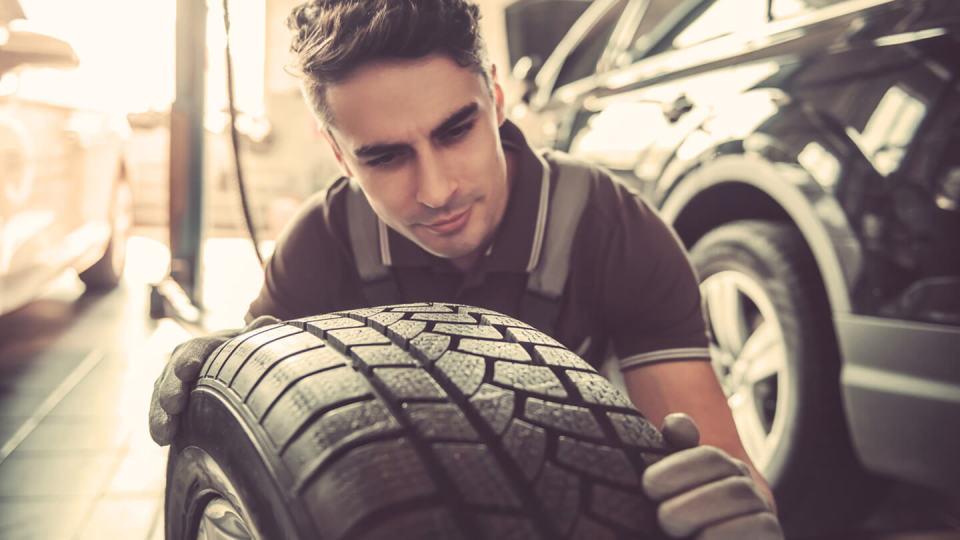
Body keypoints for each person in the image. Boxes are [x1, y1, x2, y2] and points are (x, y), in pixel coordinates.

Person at [150, 1, 783, 538]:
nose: (436, 190)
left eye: (456, 131)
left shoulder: (613, 229)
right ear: (339, 154)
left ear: (497, 95)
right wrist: (223, 376)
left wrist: (736, 513)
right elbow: (242, 450)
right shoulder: (322, 244)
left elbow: (719, 461)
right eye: (386, 157)